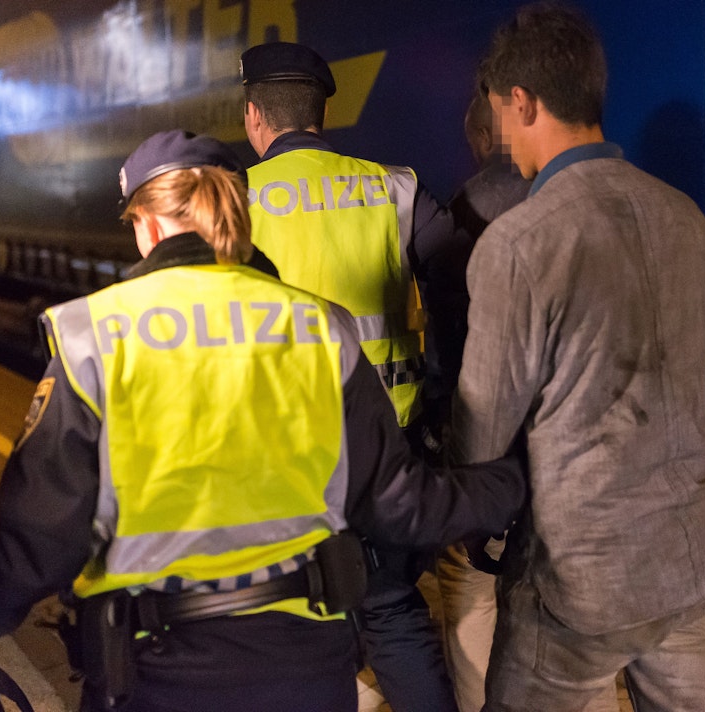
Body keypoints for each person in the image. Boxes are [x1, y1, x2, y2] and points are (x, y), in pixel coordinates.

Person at [0, 129, 526, 712]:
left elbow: (39, 545)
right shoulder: (320, 326)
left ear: (150, 223)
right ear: (237, 215)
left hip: (157, 673)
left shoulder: (95, 335)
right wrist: (516, 481)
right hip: (307, 672)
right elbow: (403, 505)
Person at [451, 4, 705, 712]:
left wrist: (468, 517)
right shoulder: (687, 219)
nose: (501, 139)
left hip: (581, 586)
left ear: (523, 102)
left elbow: (483, 434)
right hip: (695, 565)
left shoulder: (521, 242)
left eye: (501, 116)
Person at [239, 42, 467, 712]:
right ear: (323, 113)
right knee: (394, 619)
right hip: (388, 456)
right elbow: (458, 299)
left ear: (254, 117)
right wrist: (439, 403)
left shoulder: (234, 203)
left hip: (280, 464)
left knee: (292, 636)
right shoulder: (396, 187)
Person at [435, 91, 531, 712]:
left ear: (476, 138)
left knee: (465, 581)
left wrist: (470, 492)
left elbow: (462, 363)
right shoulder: (571, 202)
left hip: (501, 455)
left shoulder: (466, 215)